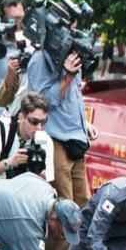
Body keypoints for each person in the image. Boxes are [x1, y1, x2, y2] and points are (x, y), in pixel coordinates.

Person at [27, 39, 95, 221]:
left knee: (84, 207)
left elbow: (74, 97)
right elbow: (41, 104)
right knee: (64, 212)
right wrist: (67, 76)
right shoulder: (40, 59)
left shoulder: (70, 56)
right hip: (55, 142)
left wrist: (84, 125)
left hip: (76, 141)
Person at [0, 93, 56, 182]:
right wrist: (10, 162)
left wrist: (38, 172)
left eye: (43, 122)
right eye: (34, 122)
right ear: (21, 117)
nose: (39, 128)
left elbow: (48, 181)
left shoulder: (45, 141)